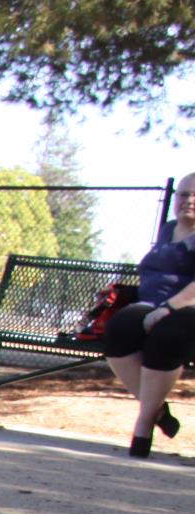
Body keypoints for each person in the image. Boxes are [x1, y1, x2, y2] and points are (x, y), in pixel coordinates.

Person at [104, 173, 195, 457]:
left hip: (187, 309)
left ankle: (144, 423)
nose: (188, 201)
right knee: (119, 329)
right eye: (183, 194)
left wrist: (169, 308)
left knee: (167, 336)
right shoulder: (167, 230)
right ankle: (157, 411)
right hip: (152, 304)